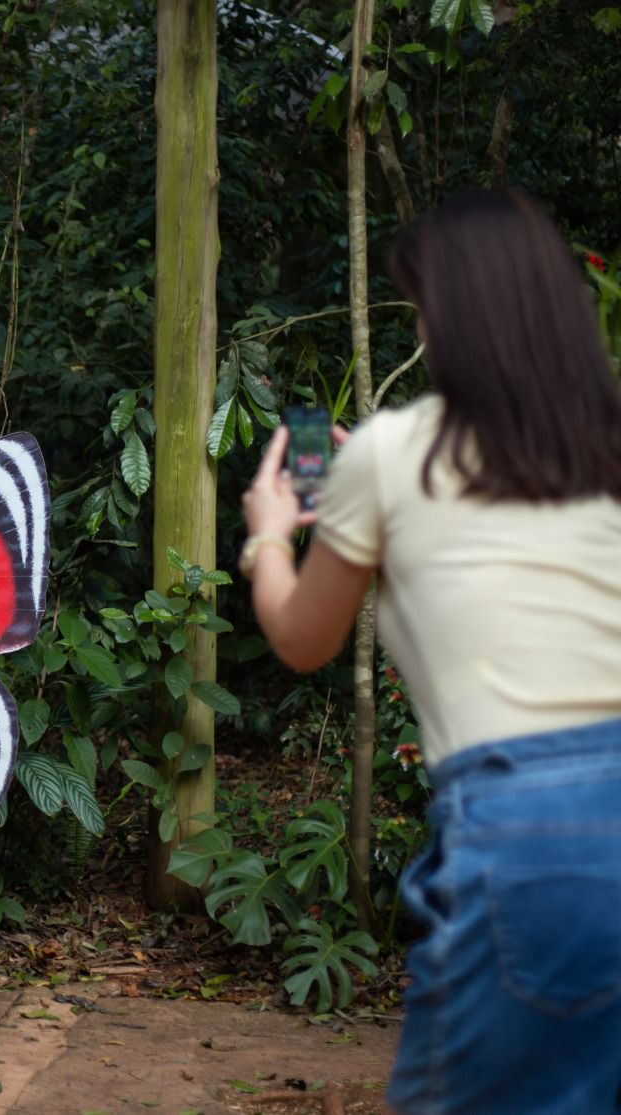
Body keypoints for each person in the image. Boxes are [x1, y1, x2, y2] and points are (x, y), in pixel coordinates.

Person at [238, 189, 621, 1114]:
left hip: (534, 830)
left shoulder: (394, 450)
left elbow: (301, 636)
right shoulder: (603, 447)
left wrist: (268, 534)